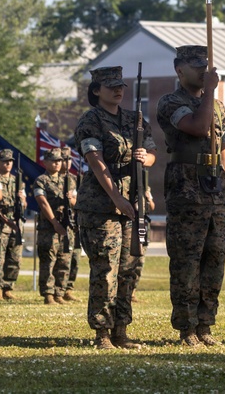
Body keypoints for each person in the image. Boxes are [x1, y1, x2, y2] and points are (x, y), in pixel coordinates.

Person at [156, 45, 225, 346]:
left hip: (214, 188)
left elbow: (223, 149)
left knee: (213, 263)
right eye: (197, 66)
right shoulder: (170, 101)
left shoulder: (215, 106)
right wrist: (210, 92)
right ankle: (187, 327)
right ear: (180, 69)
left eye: (207, 65)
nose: (204, 70)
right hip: (186, 188)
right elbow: (200, 128)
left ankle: (205, 325)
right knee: (186, 263)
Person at [74, 65, 157, 350]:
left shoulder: (135, 119)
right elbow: (96, 162)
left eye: (120, 85)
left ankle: (121, 331)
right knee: (105, 270)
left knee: (129, 269)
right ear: (96, 91)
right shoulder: (91, 121)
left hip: (134, 206)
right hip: (101, 207)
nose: (118, 90)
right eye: (111, 86)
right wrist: (116, 199)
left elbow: (152, 154)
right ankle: (102, 333)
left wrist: (145, 157)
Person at [32, 148, 73, 306]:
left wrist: (71, 199)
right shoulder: (41, 180)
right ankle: (48, 293)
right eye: (53, 160)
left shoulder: (68, 180)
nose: (57, 163)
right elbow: (42, 202)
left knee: (64, 260)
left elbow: (76, 202)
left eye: (59, 160)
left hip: (66, 225)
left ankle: (59, 292)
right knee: (48, 260)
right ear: (45, 162)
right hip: (48, 226)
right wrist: (55, 223)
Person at [0, 148, 25, 301]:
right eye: (4, 161)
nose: (8, 164)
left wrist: (21, 199)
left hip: (15, 222)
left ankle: (8, 287)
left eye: (10, 161)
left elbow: (24, 202)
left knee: (15, 257)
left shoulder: (17, 180)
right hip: (1, 222)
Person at [61, 146, 82, 303]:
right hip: (58, 224)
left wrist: (72, 200)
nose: (67, 163)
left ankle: (68, 288)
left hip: (74, 224)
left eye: (69, 159)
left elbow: (79, 202)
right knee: (61, 259)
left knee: (75, 258)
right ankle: (56, 290)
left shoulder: (74, 180)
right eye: (63, 160)